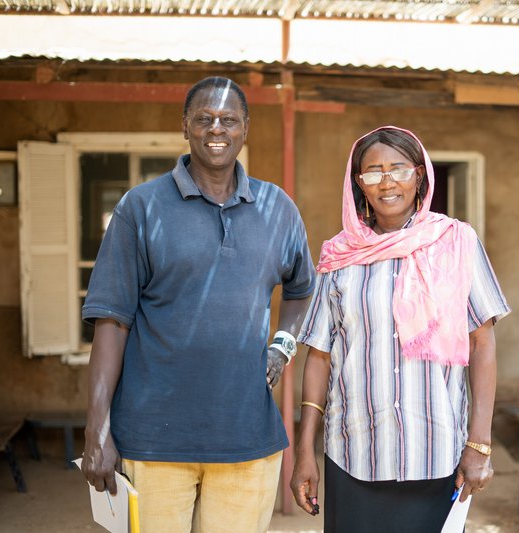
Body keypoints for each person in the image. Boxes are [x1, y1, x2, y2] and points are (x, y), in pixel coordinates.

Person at [80, 76, 315, 533]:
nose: (216, 129)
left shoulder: (277, 208)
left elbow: (302, 289)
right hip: (153, 439)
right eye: (204, 119)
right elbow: (112, 322)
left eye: (229, 120)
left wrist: (282, 346)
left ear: (245, 129)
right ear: (184, 126)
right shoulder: (141, 207)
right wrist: (97, 429)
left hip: (247, 437)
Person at [290, 126, 511, 532]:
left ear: (420, 175)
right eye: (372, 172)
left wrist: (479, 445)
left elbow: (481, 343)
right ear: (358, 183)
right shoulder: (340, 256)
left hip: (435, 451)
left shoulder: (455, 242)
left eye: (399, 169)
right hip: (353, 451)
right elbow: (320, 356)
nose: (387, 182)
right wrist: (305, 450)